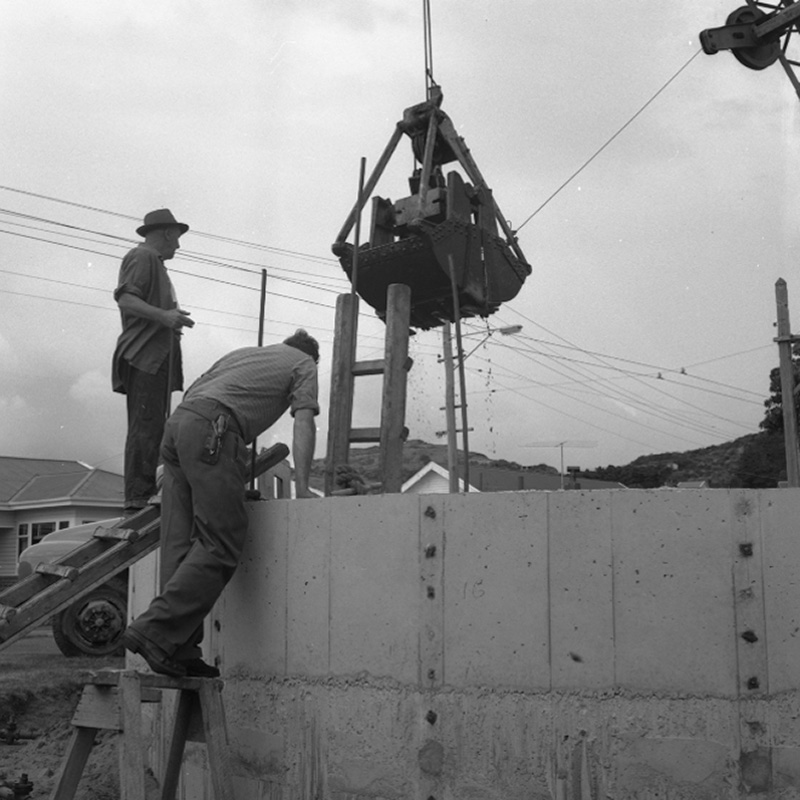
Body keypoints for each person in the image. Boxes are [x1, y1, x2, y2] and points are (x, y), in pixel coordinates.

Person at [122, 329, 320, 678]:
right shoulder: (304, 363)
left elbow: (197, 392)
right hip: (212, 431)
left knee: (178, 546)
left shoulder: (245, 354)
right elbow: (304, 419)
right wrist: (302, 488)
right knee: (222, 538)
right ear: (310, 355)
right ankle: (155, 630)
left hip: (178, 428)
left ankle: (178, 649)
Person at [112, 209, 195, 516]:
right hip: (145, 354)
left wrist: (170, 317)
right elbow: (125, 299)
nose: (178, 246)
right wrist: (165, 316)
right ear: (168, 234)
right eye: (177, 239)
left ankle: (145, 491)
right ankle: (139, 496)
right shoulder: (142, 257)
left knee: (152, 423)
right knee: (145, 424)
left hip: (154, 354)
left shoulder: (154, 264)